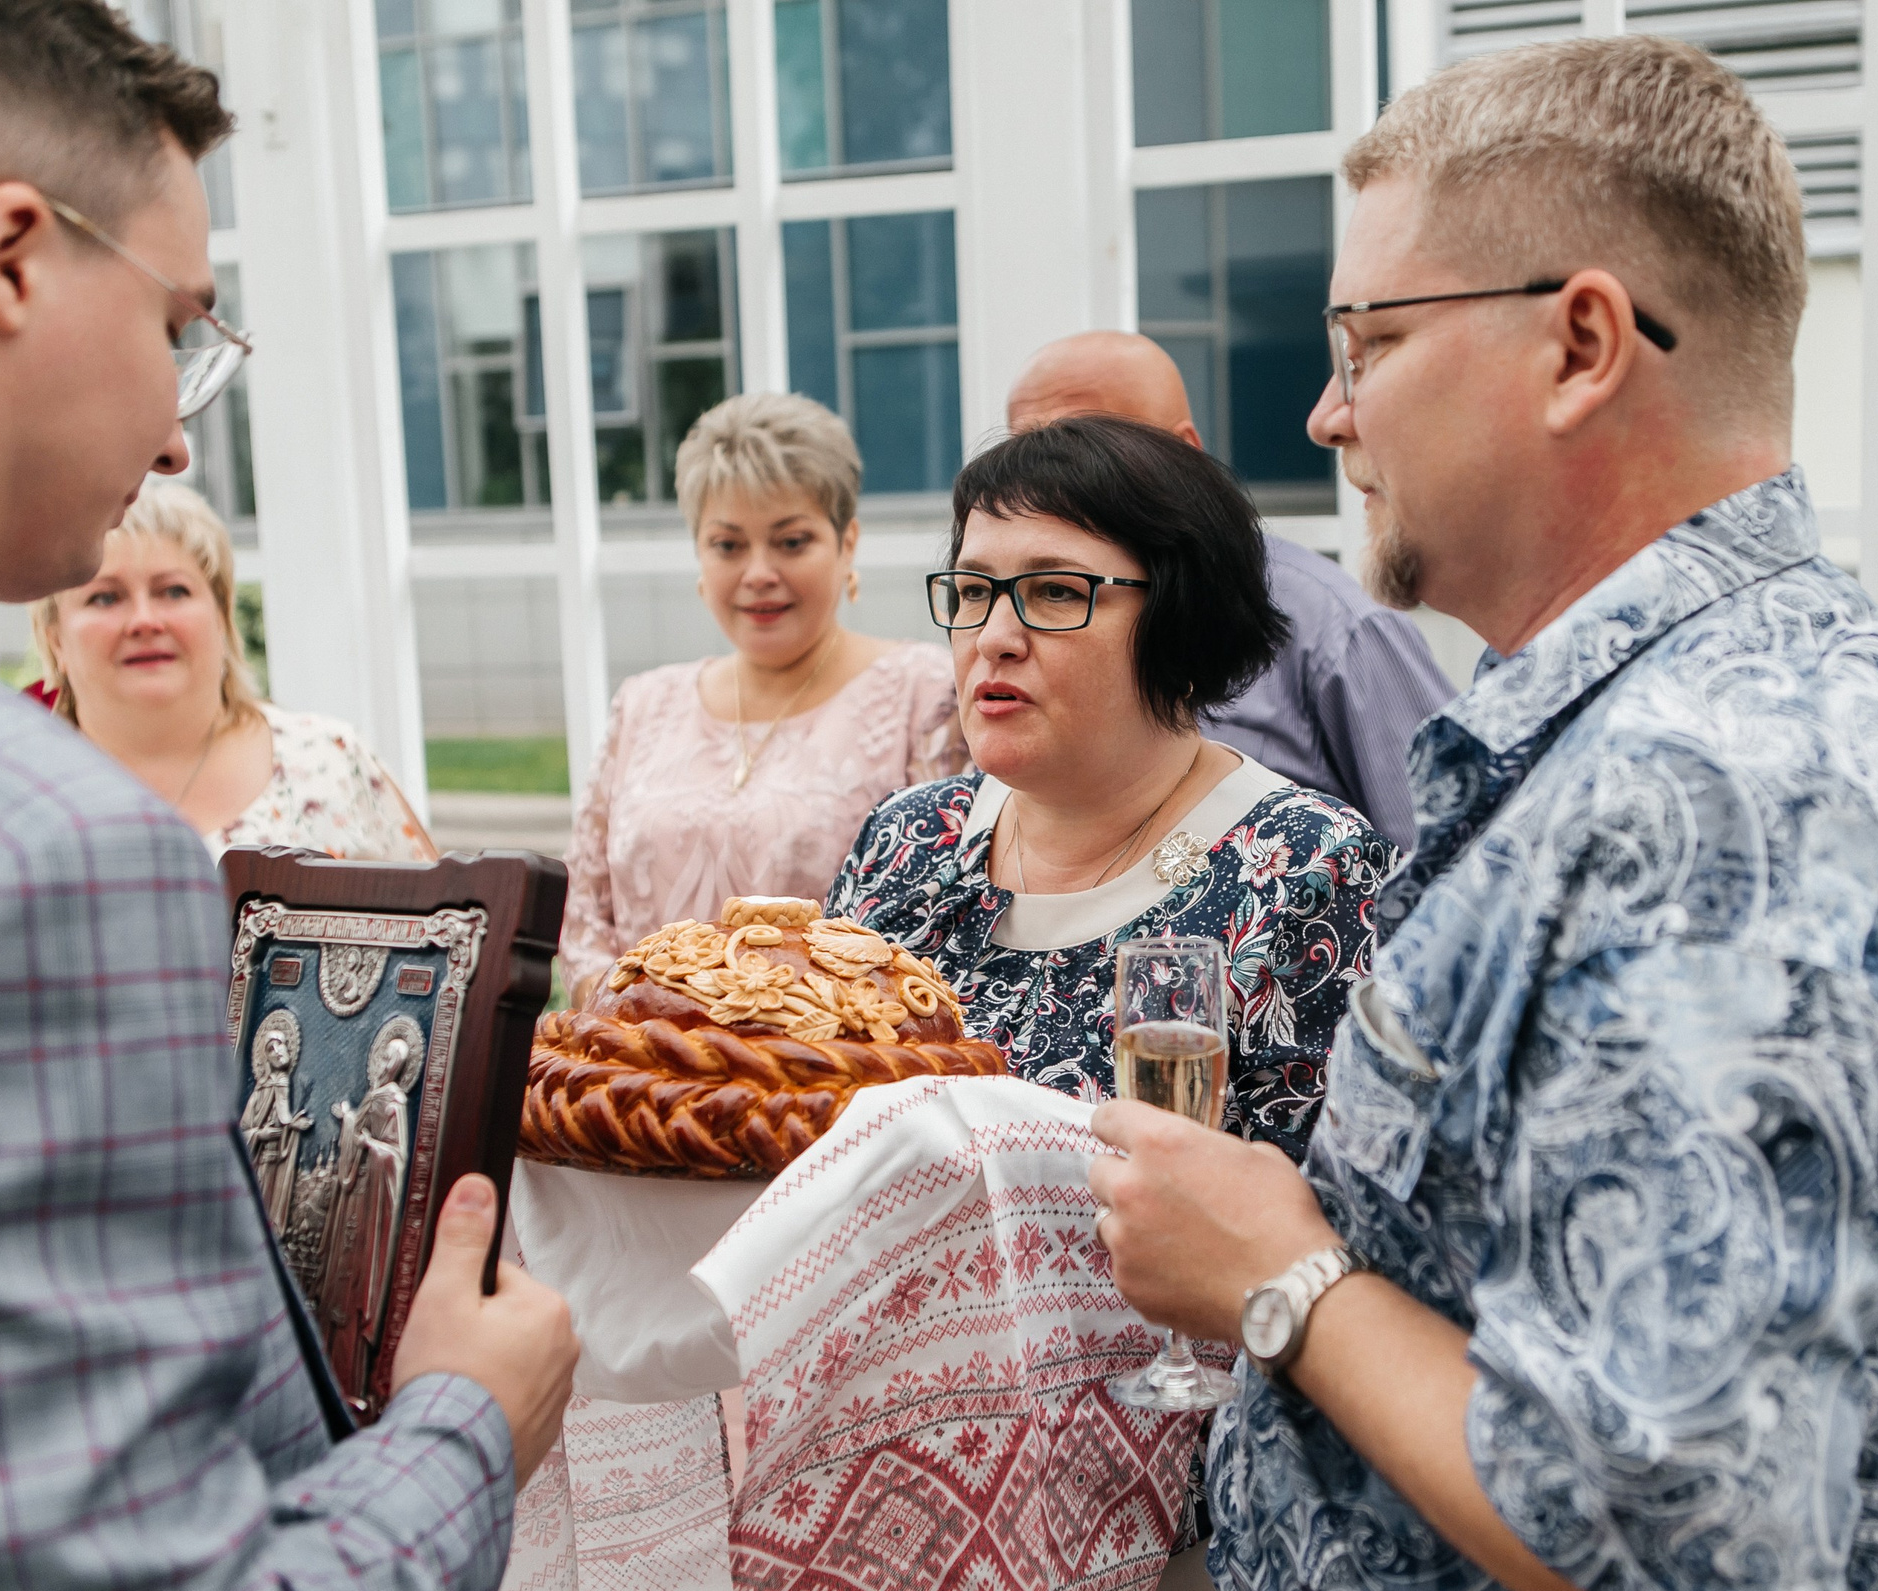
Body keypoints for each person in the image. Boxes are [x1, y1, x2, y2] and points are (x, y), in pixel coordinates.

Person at [1088, 36, 1878, 1591]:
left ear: (1578, 344)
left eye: (1366, 342)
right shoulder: (1674, 730)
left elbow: (1698, 1579)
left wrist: (1281, 1276)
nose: (1327, 411)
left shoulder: (1732, 801)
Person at [0, 5, 578, 1591]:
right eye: (184, 326)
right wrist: (463, 1425)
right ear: (12, 257)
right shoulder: (38, 856)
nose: (187, 433)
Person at [827, 414, 1395, 1159]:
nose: (994, 635)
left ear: (1181, 622)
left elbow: (1320, 1215)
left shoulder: (1305, 869)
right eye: (972, 591)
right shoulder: (906, 838)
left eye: (1056, 591)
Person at [560, 391, 965, 1005]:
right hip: (643, 1068)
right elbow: (583, 915)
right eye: (728, 545)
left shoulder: (925, 695)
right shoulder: (643, 705)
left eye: (791, 541)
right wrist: (635, 1021)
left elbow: (939, 923)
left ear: (847, 542)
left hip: (832, 1071)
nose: (758, 573)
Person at [1008, 331, 1455, 851]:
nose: (1042, 478)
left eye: (1082, 446)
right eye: (1024, 450)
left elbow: (1449, 855)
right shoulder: (1007, 627)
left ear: (1184, 453)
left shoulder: (1335, 627)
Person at [30, 477, 439, 860]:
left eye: (173, 591)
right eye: (105, 598)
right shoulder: (14, 797)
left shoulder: (330, 762)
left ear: (222, 618)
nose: (145, 620)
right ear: (55, 640)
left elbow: (452, 926)